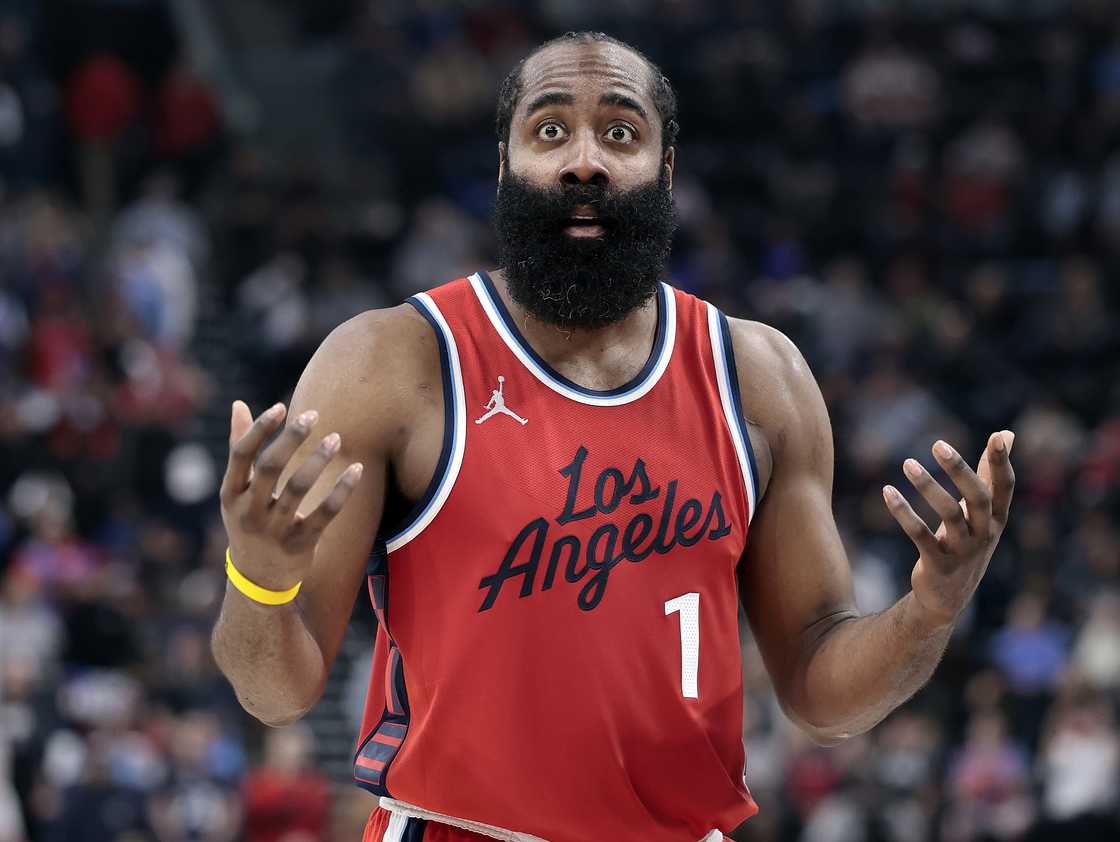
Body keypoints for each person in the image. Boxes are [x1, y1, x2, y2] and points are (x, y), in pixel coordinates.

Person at [209, 31, 1016, 842]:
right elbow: (276, 694)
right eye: (550, 130)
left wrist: (928, 611)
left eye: (621, 132)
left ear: (666, 171)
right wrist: (260, 576)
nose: (584, 162)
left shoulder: (761, 377)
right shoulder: (391, 362)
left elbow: (820, 691)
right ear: (505, 163)